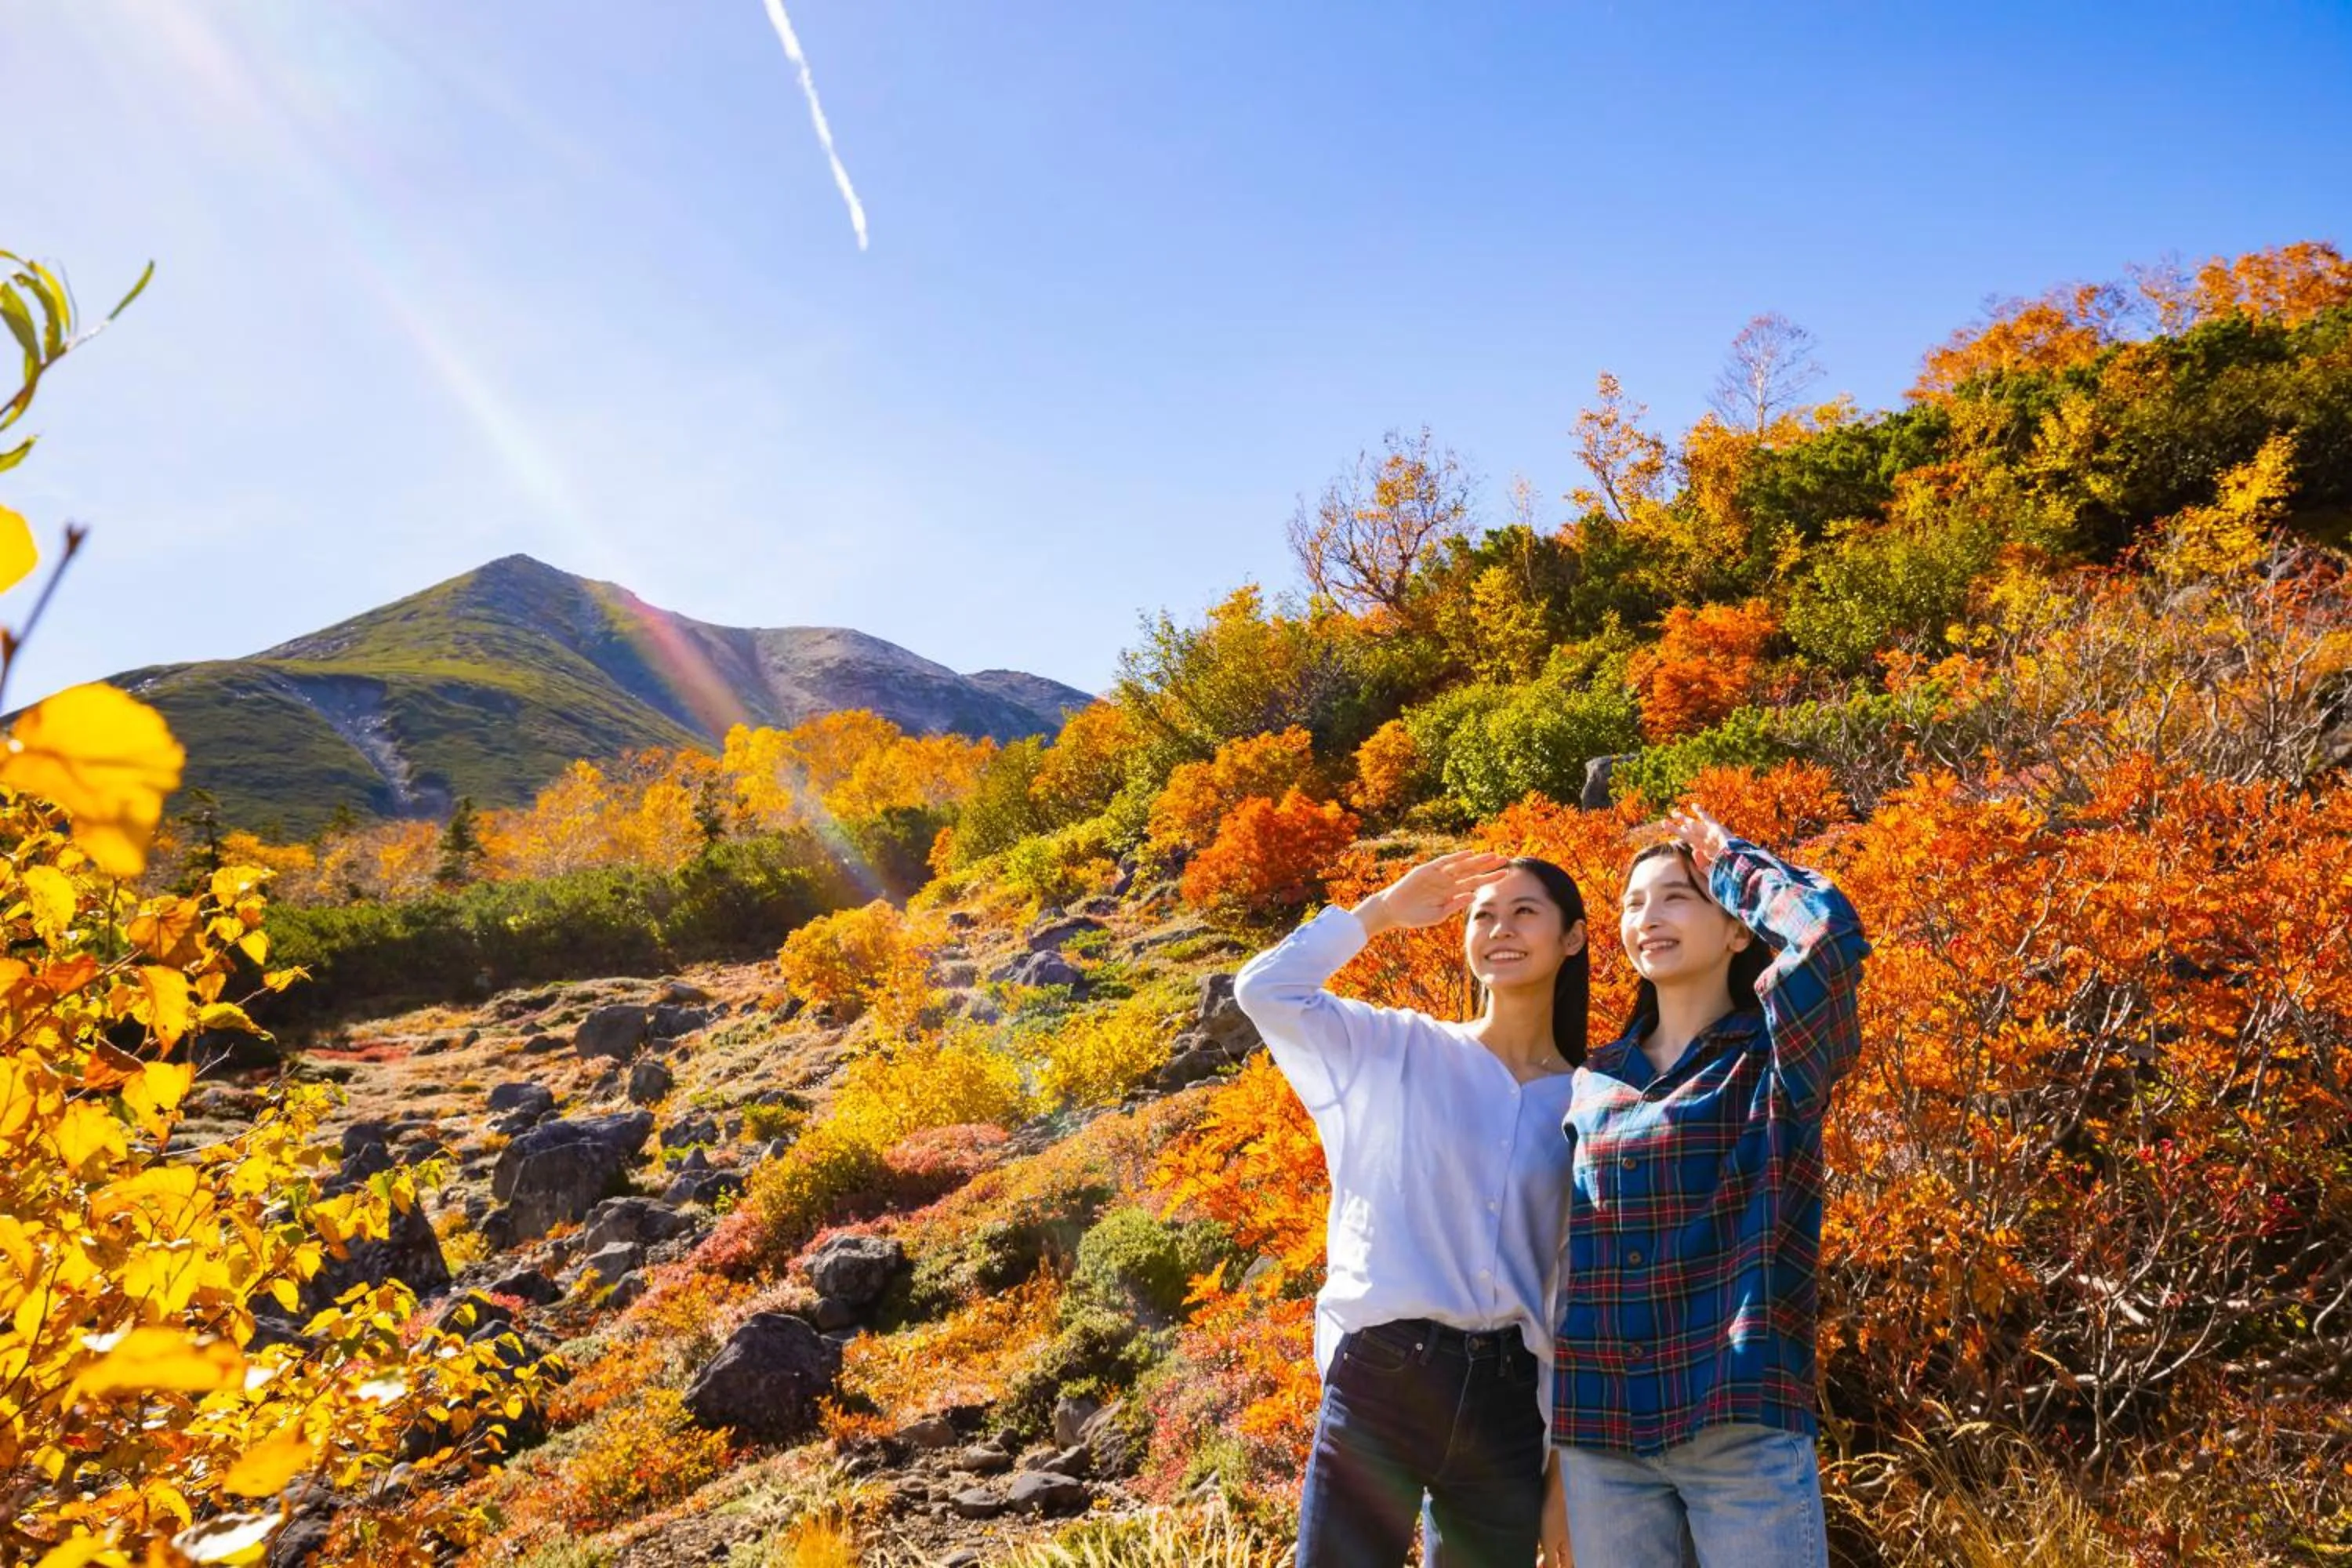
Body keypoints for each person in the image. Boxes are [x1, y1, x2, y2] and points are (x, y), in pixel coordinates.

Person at [1233, 848, 1591, 1568]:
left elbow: (1573, 1292)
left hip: (1510, 1401)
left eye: (1525, 912)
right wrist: (1382, 913)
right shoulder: (1400, 1049)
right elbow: (1267, 991)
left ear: (1573, 937)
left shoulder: (1588, 1099)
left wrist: (1563, 1466)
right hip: (1384, 1378)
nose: (1500, 929)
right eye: (1484, 915)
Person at [1549, 805, 1871, 1567]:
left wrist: (1730, 862)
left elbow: (1827, 940)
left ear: (1734, 929)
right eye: (1632, 902)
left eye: (1676, 896)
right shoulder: (1593, 1077)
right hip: (1601, 1430)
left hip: (1735, 1415)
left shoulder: (1774, 1057)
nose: (1647, 916)